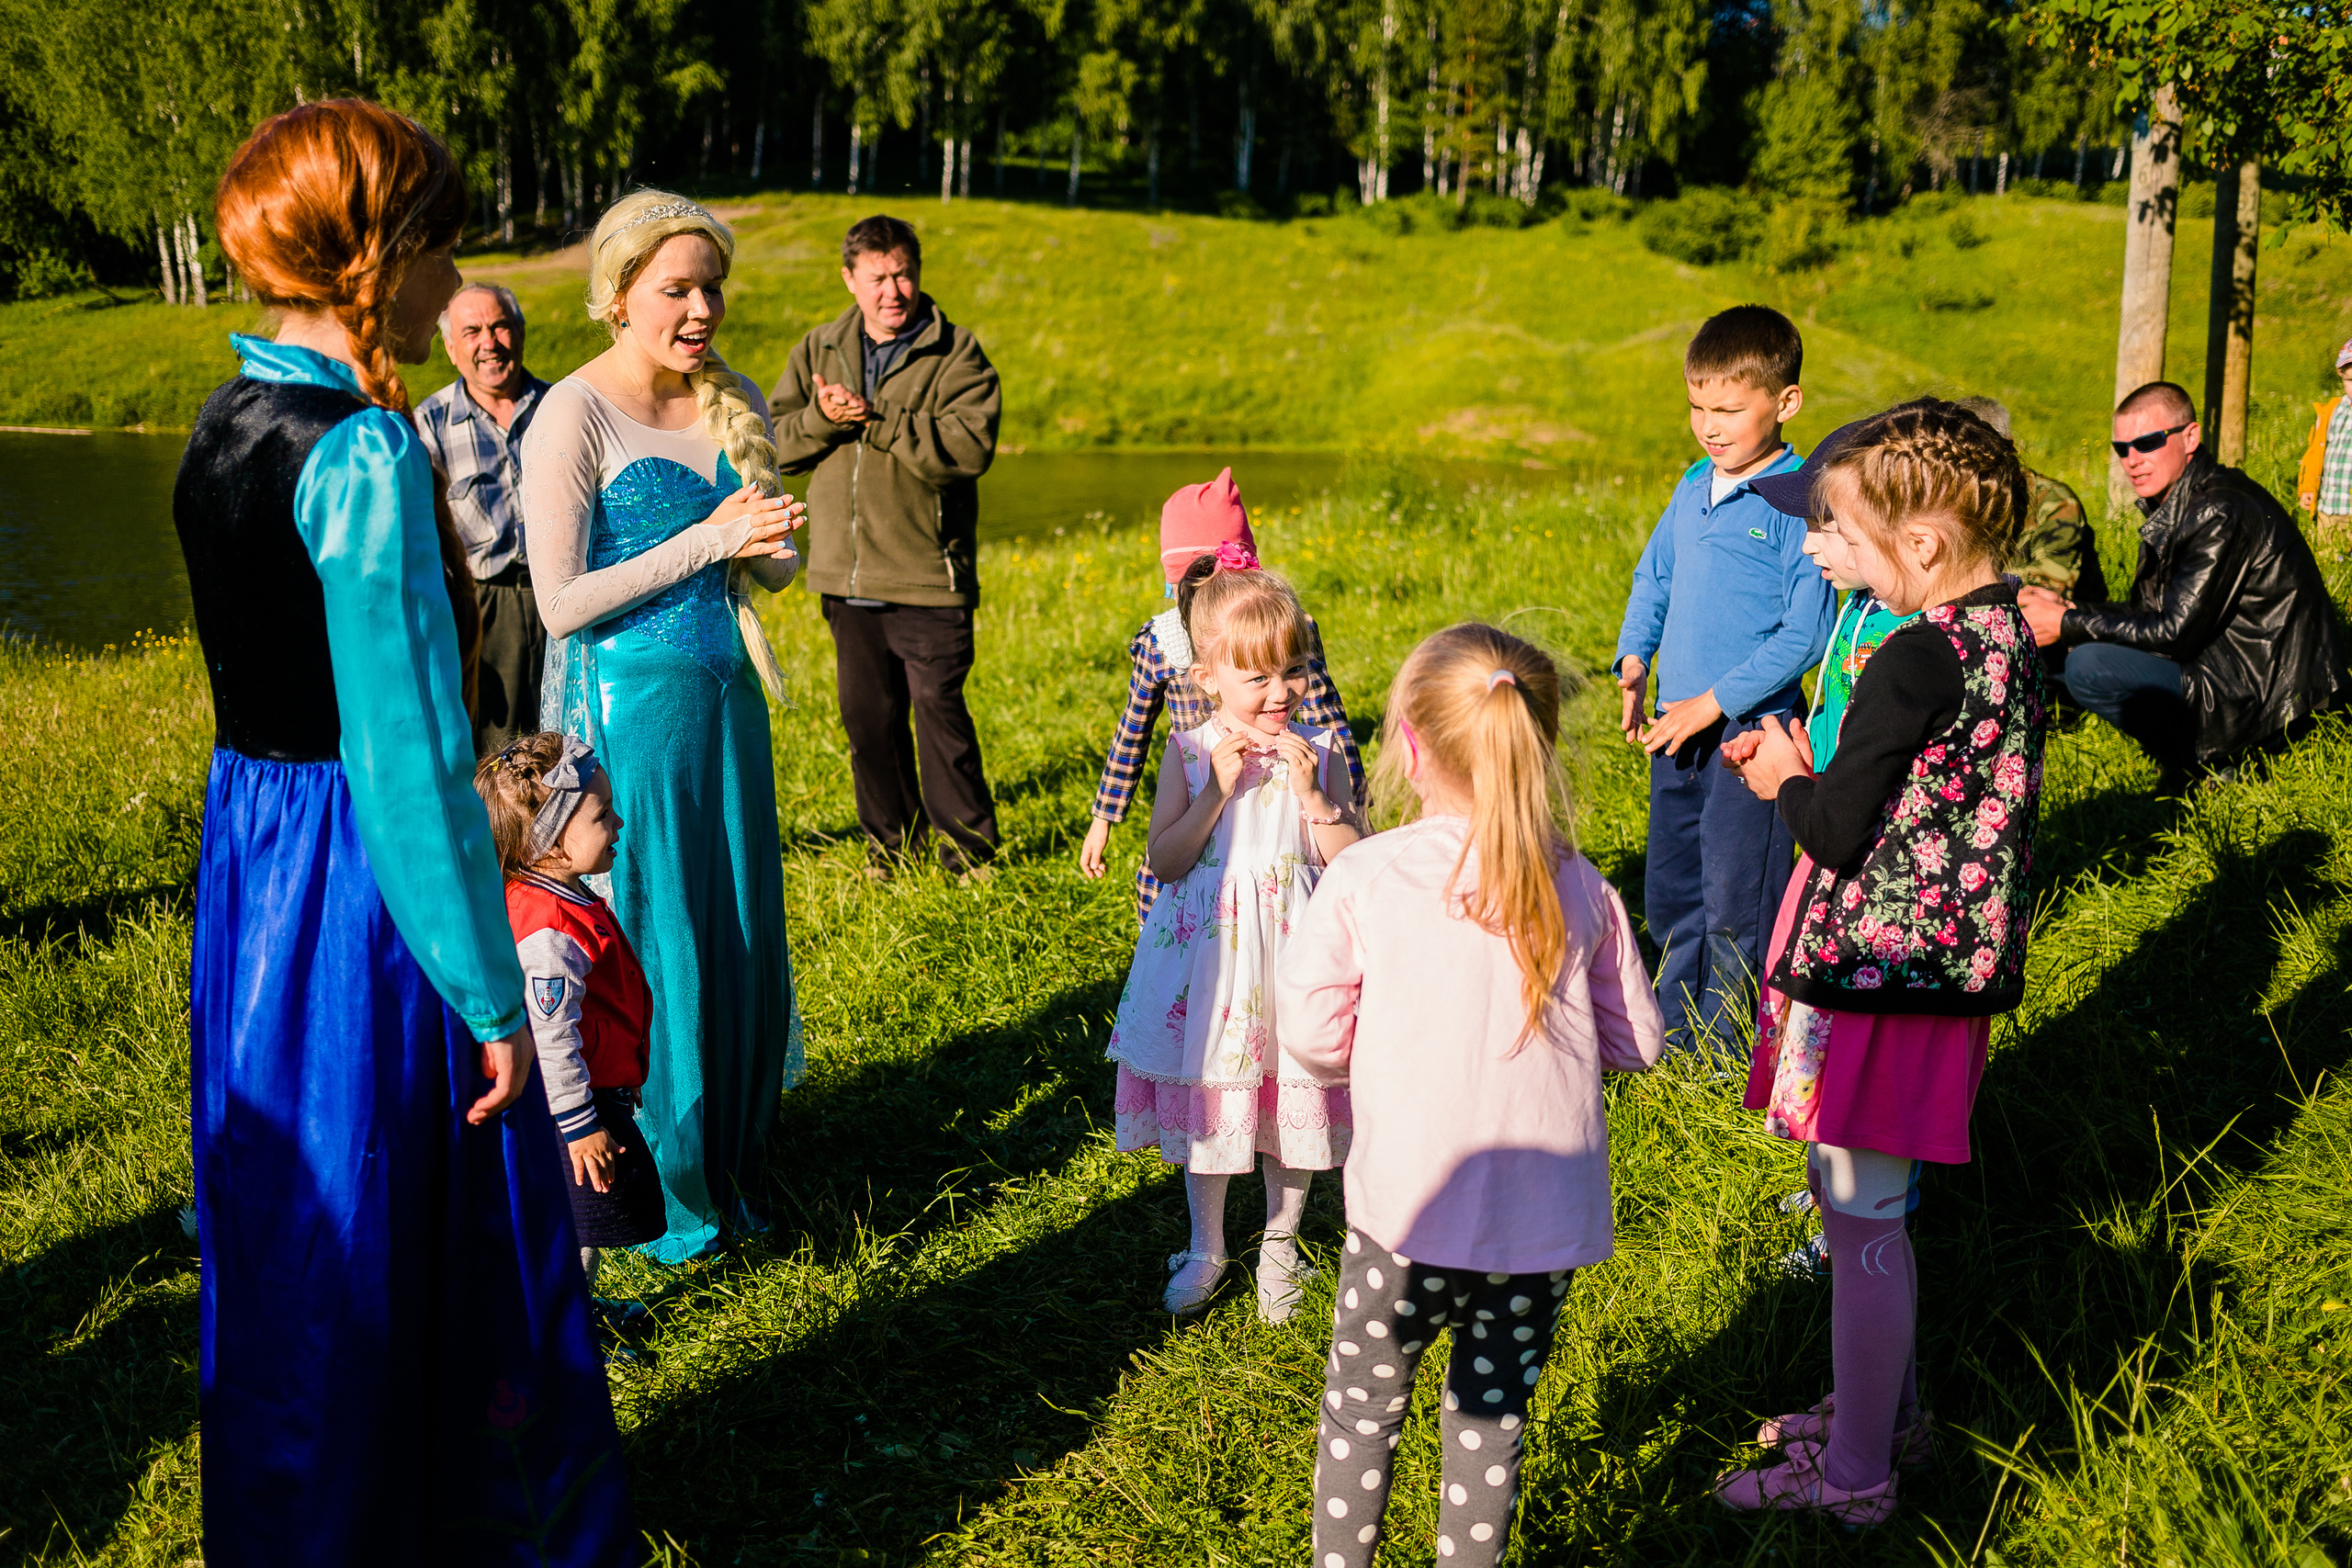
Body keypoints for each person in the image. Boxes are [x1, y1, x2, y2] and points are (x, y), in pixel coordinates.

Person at [174, 99, 632, 1563]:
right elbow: (414, 753)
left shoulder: (226, 419)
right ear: (382, 256)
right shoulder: (362, 453)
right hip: (363, 880)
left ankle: (301, 1506)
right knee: (407, 1192)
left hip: (256, 855)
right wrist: (492, 991)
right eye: (440, 238)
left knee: (296, 1206)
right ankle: (447, 1514)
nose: (457, 277)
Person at [1714, 399, 2050, 1525]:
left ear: (1921, 544)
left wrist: (1784, 773)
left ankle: (1853, 1475)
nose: (1841, 563)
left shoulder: (1913, 655)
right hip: (1943, 970)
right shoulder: (2002, 631)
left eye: (1851, 543)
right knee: (1872, 1205)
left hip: (1879, 973)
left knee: (1857, 1213)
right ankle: (1880, 1416)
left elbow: (1834, 829)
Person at [1277, 623, 1666, 1568]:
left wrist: (1381, 1057)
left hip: (1405, 1214)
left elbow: (1311, 1035)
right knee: (1490, 1422)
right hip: (1539, 1233)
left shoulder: (1366, 874)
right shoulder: (1581, 885)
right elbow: (1639, 1045)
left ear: (1408, 744)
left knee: (1363, 1407)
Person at [521, 189, 808, 1264]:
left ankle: (734, 1155)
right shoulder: (574, 415)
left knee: (735, 924)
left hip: (727, 707)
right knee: (658, 932)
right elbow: (559, 603)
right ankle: (662, 1187)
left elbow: (768, 570)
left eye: (710, 288)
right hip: (629, 718)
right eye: (676, 289)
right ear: (616, 296)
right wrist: (710, 538)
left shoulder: (729, 400)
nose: (701, 309)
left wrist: (772, 543)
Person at [1102, 558, 1362, 1322]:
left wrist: (1315, 796)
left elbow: (1351, 859)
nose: (1280, 693)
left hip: (1294, 955)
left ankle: (1281, 1243)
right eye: (1258, 679)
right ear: (1209, 677)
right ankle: (1208, 1243)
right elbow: (1167, 858)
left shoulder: (1319, 750)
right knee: (1212, 1100)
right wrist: (1216, 789)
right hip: (1211, 963)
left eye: (1291, 672)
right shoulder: (1187, 752)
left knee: (1297, 1098)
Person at [1612, 303, 1834, 1053]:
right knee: (1672, 887)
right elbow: (1656, 575)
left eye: (1730, 410)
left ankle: (1727, 1051)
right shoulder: (1692, 483)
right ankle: (1668, 1038)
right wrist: (1635, 655)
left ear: (1786, 402)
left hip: (1749, 737)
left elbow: (1805, 634)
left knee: (1738, 897)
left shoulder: (1801, 499)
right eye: (1698, 407)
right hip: (1677, 727)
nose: (1710, 426)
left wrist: (1715, 702)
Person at [769, 214, 1003, 877]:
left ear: (918, 272)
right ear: (850, 280)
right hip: (844, 576)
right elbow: (774, 443)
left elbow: (967, 449)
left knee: (939, 720)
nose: (892, 290)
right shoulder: (818, 348)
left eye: (902, 273)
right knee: (868, 723)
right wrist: (823, 418)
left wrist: (876, 418)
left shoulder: (958, 354)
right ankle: (891, 850)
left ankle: (969, 854)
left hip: (929, 574)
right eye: (877, 278)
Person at [2018, 381, 2348, 793]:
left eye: (2149, 442)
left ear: (2190, 437)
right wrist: (2066, 608)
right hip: (2230, 663)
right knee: (2065, 655)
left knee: (2089, 667)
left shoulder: (2217, 509)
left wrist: (2067, 622)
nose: (2133, 461)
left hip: (2267, 694)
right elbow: (2152, 612)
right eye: (2123, 449)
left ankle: (2215, 766)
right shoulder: (2180, 499)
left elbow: (2174, 632)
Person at [1078, 468, 1363, 919]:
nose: (1280, 687)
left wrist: (1352, 801)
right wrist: (1103, 818)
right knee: (1171, 902)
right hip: (1199, 788)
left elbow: (1329, 717)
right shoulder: (1162, 642)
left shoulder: (1288, 630)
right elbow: (1132, 734)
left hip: (1283, 804)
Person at [476, 733, 667, 1290]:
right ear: (555, 843)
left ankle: (574, 1325)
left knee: (586, 1222)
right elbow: (552, 1036)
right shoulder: (551, 931)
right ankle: (571, 1338)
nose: (619, 824)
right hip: (567, 1114)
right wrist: (582, 1124)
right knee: (579, 1224)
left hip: (588, 1097)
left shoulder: (563, 895)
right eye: (603, 816)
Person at [415, 282, 551, 753]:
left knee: (571, 742)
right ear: (452, 349)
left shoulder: (562, 409)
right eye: (472, 331)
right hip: (483, 608)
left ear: (520, 332)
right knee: (497, 759)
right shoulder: (427, 423)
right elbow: (422, 544)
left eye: (500, 327)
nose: (489, 342)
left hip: (566, 596)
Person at [1952, 395, 2107, 604]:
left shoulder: (2055, 503)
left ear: (2009, 447)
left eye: (1981, 458)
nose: (1970, 471)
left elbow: (2044, 593)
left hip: (2063, 627)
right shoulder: (1951, 499)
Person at [2295, 339, 2352, 545]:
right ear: (2341, 376)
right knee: (2326, 568)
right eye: (2351, 381)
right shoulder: (2331, 411)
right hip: (2327, 509)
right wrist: (2308, 488)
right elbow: (2315, 454)